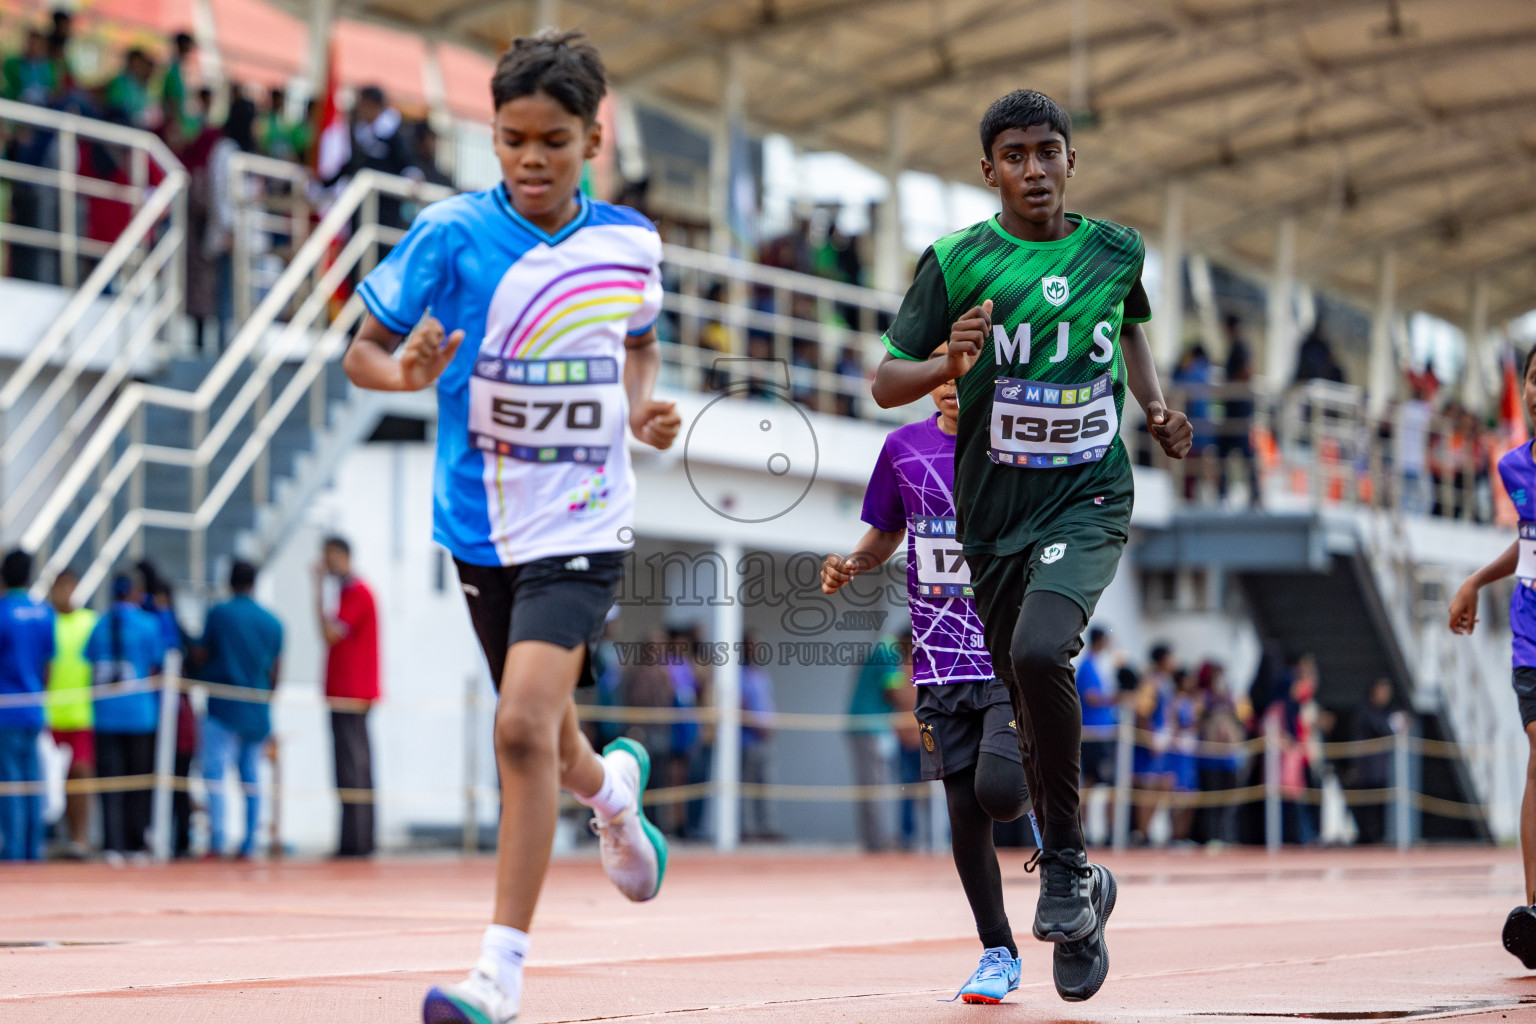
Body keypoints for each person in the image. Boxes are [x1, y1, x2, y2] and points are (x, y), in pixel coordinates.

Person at [343, 30, 679, 1024]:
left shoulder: (628, 243)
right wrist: (400, 372)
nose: (532, 159)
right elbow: (361, 350)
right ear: (491, 135)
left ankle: (499, 974)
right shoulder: (448, 235)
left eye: (554, 141)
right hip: (479, 524)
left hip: (583, 517)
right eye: (512, 139)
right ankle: (614, 797)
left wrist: (644, 406)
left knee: (521, 726)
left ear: (593, 138)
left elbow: (641, 348)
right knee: (555, 742)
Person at [869, 88, 1191, 1003]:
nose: (1035, 169)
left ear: (1070, 161)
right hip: (993, 519)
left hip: (1088, 500)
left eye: (1049, 152)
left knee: (1043, 649)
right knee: (1020, 667)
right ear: (990, 170)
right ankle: (1084, 893)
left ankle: (1064, 866)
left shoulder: (1116, 251)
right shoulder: (958, 262)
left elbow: (1130, 332)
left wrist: (1155, 408)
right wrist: (948, 362)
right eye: (1016, 155)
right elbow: (887, 380)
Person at [824, 343, 1047, 999]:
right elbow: (887, 532)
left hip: (1003, 654)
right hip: (939, 664)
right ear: (927, 382)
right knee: (963, 818)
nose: (953, 383)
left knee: (1002, 792)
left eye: (967, 370)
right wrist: (854, 563)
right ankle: (999, 952)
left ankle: (1059, 829)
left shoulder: (1013, 446)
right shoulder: (902, 449)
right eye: (943, 372)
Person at [1449, 349, 1536, 966]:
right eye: (1535, 378)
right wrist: (1476, 580)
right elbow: (1527, 541)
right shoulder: (1514, 467)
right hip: (1532, 638)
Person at [197, 561, 283, 859]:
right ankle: (250, 842)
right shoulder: (273, 622)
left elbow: (202, 653)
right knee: (251, 778)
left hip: (223, 708)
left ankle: (218, 840)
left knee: (216, 776)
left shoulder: (219, 614)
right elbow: (275, 673)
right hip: (257, 710)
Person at [86, 573, 165, 863]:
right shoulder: (148, 624)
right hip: (139, 714)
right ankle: (135, 842)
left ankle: (112, 844)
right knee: (138, 782)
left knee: (110, 784)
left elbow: (91, 661)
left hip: (106, 714)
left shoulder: (99, 624)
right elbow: (157, 663)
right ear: (134, 592)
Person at [314, 536, 380, 859]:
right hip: (344, 690)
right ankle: (353, 840)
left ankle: (358, 842)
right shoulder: (347, 593)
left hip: (352, 692)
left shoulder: (357, 593)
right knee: (349, 765)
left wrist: (315, 589)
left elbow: (329, 634)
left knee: (353, 765)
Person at [0, 550, 53, 861]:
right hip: (34, 706)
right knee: (32, 781)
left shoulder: (3, 611)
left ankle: (16, 853)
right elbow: (48, 665)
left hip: (6, 710)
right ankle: (34, 850)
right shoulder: (44, 612)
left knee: (10, 785)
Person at [45, 568, 96, 858]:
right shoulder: (46, 622)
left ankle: (79, 839)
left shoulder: (90, 621)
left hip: (80, 714)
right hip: (48, 714)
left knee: (79, 776)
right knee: (49, 781)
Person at [844, 634, 901, 852]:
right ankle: (878, 843)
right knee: (876, 787)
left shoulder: (883, 649)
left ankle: (875, 841)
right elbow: (894, 692)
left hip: (870, 727)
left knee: (873, 787)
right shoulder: (888, 653)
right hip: (870, 729)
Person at [1076, 627, 1118, 839]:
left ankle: (1108, 829)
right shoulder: (1088, 666)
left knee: (1107, 783)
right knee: (1092, 781)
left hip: (1103, 732)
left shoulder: (1100, 665)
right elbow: (1091, 697)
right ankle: (1087, 829)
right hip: (1093, 733)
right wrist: (1115, 699)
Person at [1347, 678, 1398, 846]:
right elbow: (1382, 728)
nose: (1385, 695)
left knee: (1378, 808)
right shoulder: (1366, 710)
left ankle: (1375, 839)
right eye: (1382, 690)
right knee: (1366, 808)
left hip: (1379, 771)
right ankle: (1368, 840)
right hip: (1367, 770)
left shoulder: (1383, 712)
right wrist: (1396, 724)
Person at [738, 632, 778, 840]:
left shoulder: (761, 673)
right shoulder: (737, 673)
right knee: (745, 785)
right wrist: (756, 726)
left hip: (765, 738)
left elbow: (767, 701)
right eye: (751, 645)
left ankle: (765, 827)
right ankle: (745, 828)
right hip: (747, 739)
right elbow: (740, 703)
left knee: (765, 785)